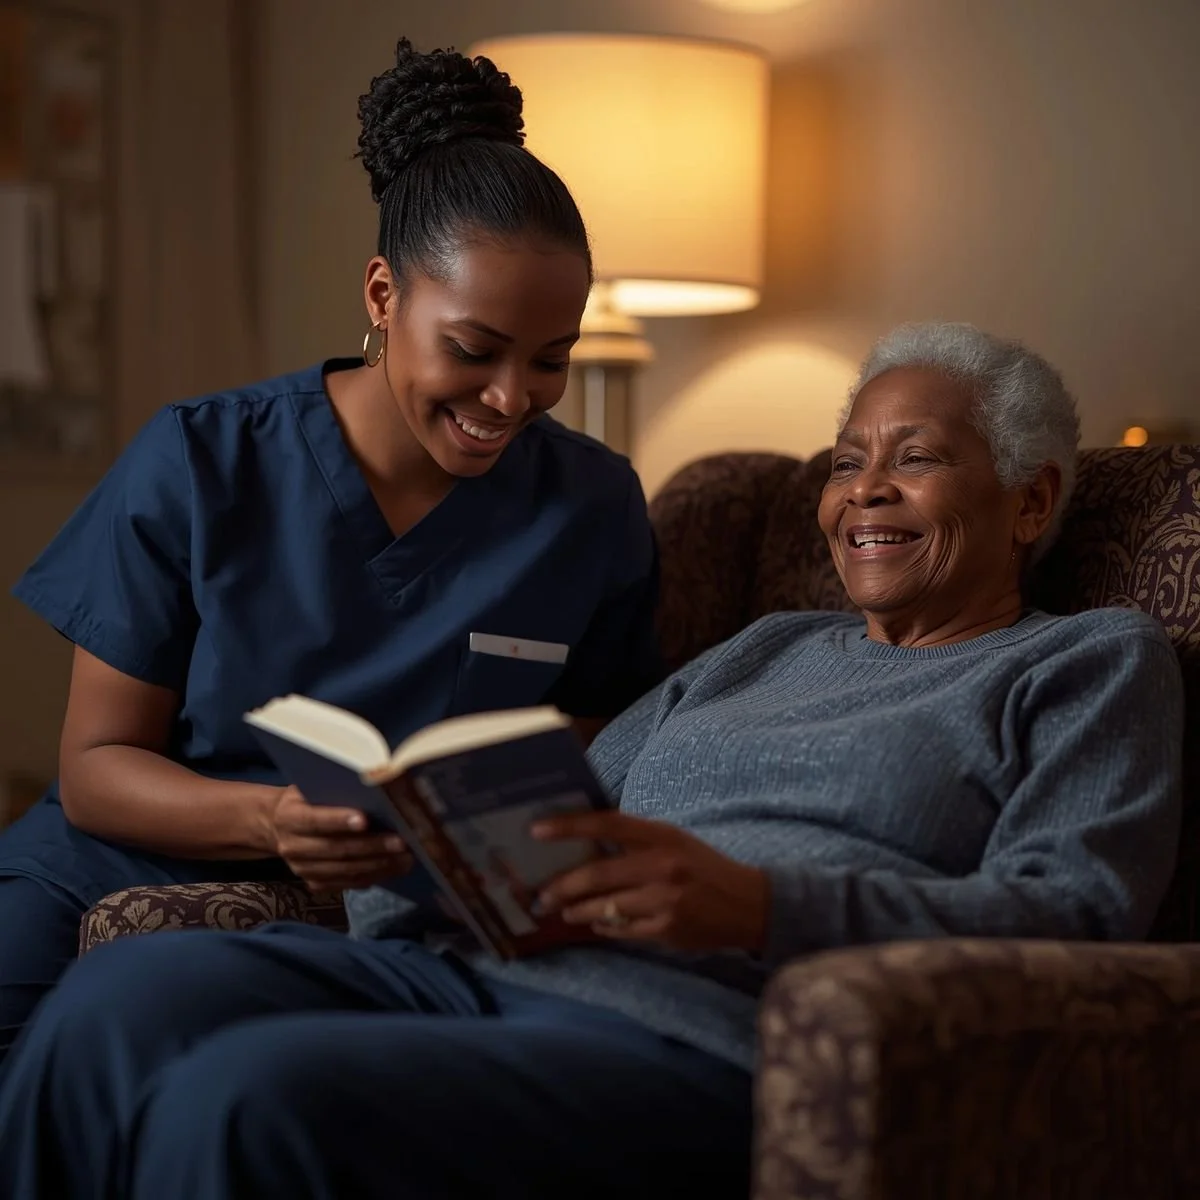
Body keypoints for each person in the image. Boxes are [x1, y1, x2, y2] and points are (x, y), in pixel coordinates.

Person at [0, 323, 1184, 1200]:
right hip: (489, 969)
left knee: (244, 1098)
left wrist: (758, 905)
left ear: (1031, 503)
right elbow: (577, 794)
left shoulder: (1087, 663)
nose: (861, 491)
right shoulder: (766, 646)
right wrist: (416, 835)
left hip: (705, 1034)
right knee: (123, 1000)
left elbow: (1074, 910)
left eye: (912, 459)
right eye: (843, 460)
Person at [0, 39, 662, 1074]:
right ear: (384, 297)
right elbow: (94, 772)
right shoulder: (203, 458)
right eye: (473, 350)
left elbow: (593, 746)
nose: (510, 399)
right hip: (114, 862)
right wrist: (271, 818)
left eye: (551, 360)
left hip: (410, 904)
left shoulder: (592, 505)